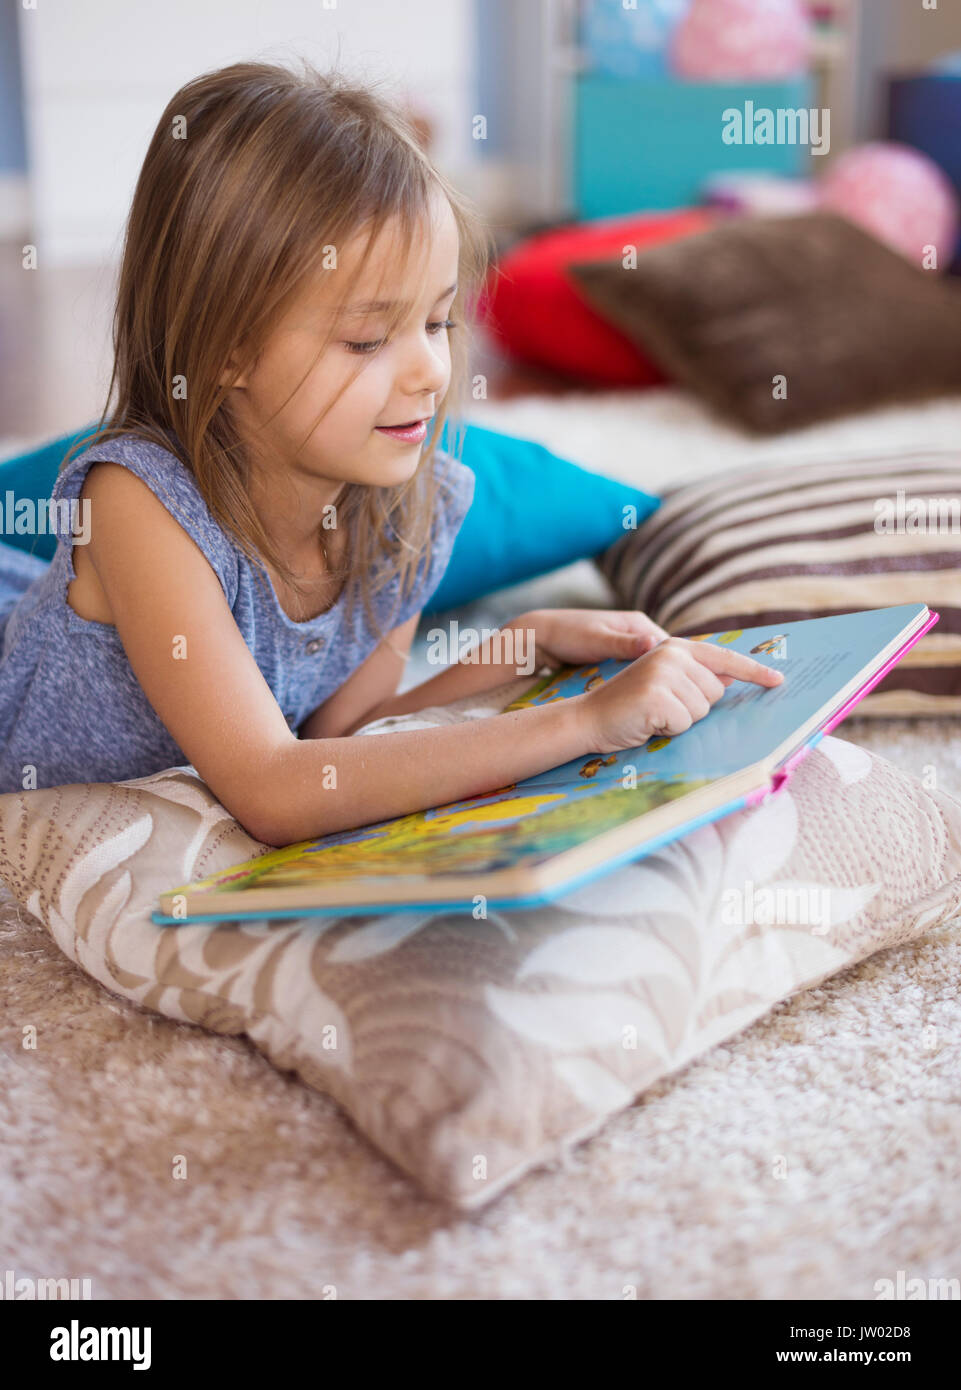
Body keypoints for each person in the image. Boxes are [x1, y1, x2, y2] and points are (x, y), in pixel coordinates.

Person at [0, 60, 781, 844]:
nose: (430, 373)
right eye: (368, 339)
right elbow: (274, 787)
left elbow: (347, 744)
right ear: (225, 350)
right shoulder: (138, 503)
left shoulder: (406, 503)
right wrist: (585, 720)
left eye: (438, 323)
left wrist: (526, 643)